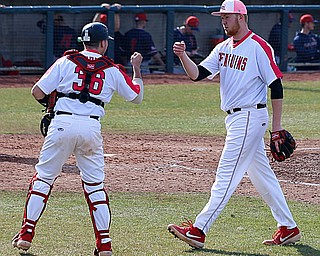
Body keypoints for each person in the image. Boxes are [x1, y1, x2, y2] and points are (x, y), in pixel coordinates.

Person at [167, 0, 301, 249]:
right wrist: (182, 55)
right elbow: (197, 74)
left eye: (227, 16)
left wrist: (278, 127)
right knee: (262, 176)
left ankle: (199, 229)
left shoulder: (258, 46)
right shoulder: (222, 47)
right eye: (222, 17)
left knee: (226, 174)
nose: (223, 20)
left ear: (241, 16)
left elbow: (276, 84)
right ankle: (288, 227)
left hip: (250, 116)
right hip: (235, 118)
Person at [12, 22, 144, 256]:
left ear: (83, 41)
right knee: (95, 186)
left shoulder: (65, 61)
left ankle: (26, 233)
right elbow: (136, 97)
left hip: (62, 123)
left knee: (43, 179)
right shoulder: (111, 68)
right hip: (91, 126)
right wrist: (136, 69)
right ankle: (104, 244)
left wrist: (51, 104)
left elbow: (37, 91)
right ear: (103, 43)